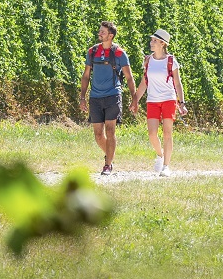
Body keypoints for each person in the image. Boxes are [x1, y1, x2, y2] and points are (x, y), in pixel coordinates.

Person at [79, 21, 136, 175]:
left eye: (103, 32)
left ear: (110, 35)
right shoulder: (92, 51)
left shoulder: (119, 53)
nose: (100, 34)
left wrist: (134, 98)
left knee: (110, 131)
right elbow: (86, 76)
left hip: (113, 95)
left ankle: (108, 165)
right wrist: (82, 97)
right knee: (98, 135)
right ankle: (110, 156)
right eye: (100, 31)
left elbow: (129, 77)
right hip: (95, 97)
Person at [130, 28, 187, 177]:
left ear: (163, 43)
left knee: (168, 133)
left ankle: (166, 166)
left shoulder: (171, 61)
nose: (151, 43)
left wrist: (181, 103)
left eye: (154, 41)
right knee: (152, 134)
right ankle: (160, 155)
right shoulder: (148, 60)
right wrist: (135, 100)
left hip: (168, 99)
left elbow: (178, 83)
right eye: (151, 40)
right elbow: (144, 83)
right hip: (152, 100)